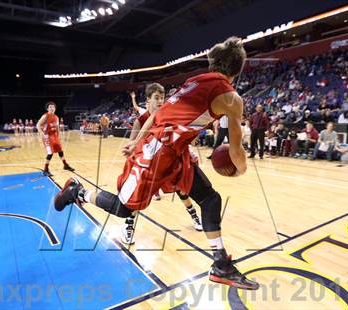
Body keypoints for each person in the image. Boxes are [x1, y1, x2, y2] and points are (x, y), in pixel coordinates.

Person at [55, 37, 259, 290]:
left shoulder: (193, 82)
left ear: (213, 63)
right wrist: (240, 168)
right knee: (124, 208)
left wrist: (137, 139)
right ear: (237, 70)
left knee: (210, 199)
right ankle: (77, 192)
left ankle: (220, 265)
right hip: (158, 151)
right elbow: (237, 148)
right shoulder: (231, 98)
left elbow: (157, 116)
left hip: (175, 151)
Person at [121, 83, 202, 245]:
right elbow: (132, 145)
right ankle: (128, 226)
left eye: (162, 98)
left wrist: (191, 143)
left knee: (181, 191)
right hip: (148, 165)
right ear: (148, 101)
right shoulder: (141, 121)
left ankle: (194, 216)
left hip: (169, 162)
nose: (160, 101)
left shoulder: (169, 114)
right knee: (138, 198)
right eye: (156, 98)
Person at [36, 101, 74, 176]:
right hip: (47, 136)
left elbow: (57, 128)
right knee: (50, 153)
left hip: (54, 136)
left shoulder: (56, 117)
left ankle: (65, 165)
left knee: (60, 150)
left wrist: (58, 136)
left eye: (53, 107)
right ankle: (45, 169)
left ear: (55, 109)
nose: (52, 108)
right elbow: (38, 125)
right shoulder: (45, 116)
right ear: (47, 109)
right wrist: (42, 134)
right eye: (50, 107)